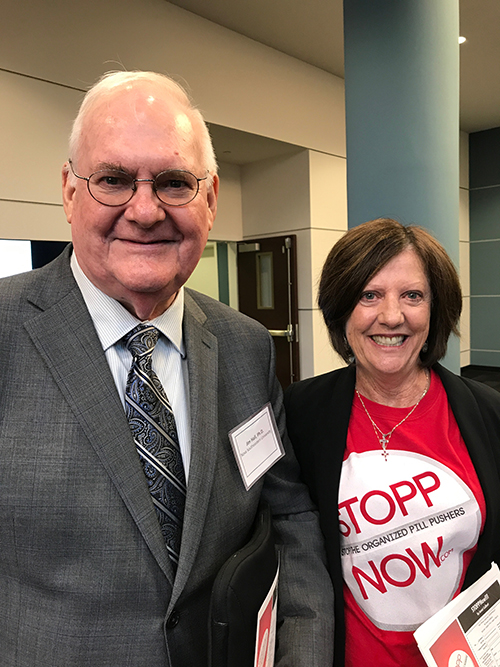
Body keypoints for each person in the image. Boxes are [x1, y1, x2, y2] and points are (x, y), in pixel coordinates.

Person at [0, 70, 334, 667]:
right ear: (69, 192)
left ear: (209, 200)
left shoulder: (244, 346)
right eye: (113, 180)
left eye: (175, 182)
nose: (146, 210)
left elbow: (288, 518)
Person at [285, 218, 500, 667]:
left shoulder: (488, 414)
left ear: (434, 310)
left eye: (412, 295)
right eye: (369, 295)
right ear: (342, 309)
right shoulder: (300, 416)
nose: (391, 316)